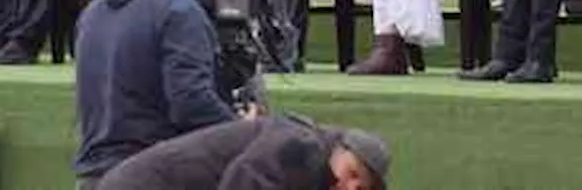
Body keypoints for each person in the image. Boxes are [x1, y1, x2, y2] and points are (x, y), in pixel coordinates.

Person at [73, 0, 235, 186]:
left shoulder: (93, 11)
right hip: (151, 174)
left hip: (94, 176)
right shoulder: (179, 12)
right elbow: (190, 103)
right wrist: (242, 130)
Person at [96, 113, 391, 190]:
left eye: (361, 188)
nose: (351, 187)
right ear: (338, 149)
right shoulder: (300, 148)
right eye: (352, 173)